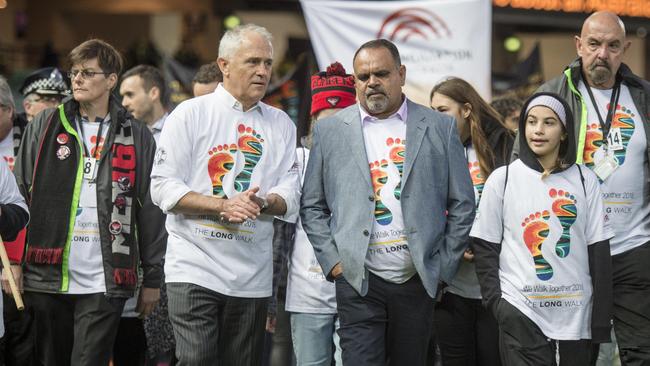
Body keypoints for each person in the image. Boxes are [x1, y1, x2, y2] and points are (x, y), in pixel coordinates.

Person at [300, 39, 475, 366]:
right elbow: (312, 206)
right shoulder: (331, 132)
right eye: (363, 77)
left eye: (381, 73)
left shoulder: (439, 127)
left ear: (402, 74)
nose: (372, 83)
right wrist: (335, 262)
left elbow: (463, 203)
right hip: (358, 281)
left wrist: (443, 268)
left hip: (417, 280)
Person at [150, 24, 300, 365]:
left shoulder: (281, 124)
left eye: (267, 63)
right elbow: (162, 186)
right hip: (194, 266)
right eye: (253, 62)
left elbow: (289, 193)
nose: (263, 71)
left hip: (252, 277)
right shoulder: (190, 114)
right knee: (197, 359)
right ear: (224, 65)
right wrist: (222, 205)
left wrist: (263, 202)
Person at [13, 38, 166, 366]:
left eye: (87, 73)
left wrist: (152, 278)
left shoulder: (136, 134)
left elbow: (149, 209)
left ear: (111, 80)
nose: (77, 79)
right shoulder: (45, 123)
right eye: (74, 72)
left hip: (106, 276)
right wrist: (13, 262)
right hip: (47, 273)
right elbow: (20, 194)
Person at [535, 11, 650, 364]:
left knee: (641, 351)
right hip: (576, 247)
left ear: (625, 49)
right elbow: (524, 168)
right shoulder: (552, 95)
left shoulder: (644, 97)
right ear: (579, 45)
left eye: (613, 46)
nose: (603, 54)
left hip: (635, 245)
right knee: (578, 351)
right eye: (595, 44)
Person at [472, 92, 613, 365]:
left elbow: (599, 252)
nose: (538, 130)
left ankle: (557, 230)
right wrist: (499, 305)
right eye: (531, 121)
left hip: (576, 315)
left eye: (549, 122)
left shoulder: (586, 180)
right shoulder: (503, 179)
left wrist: (600, 321)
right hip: (521, 310)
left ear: (564, 132)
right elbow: (485, 246)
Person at [429, 77, 514, 366]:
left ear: (466, 109)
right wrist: (454, 242)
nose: (435, 117)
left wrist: (483, 242)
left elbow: (517, 208)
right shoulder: (434, 150)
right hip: (451, 286)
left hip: (495, 284)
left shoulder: (505, 146)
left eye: (442, 110)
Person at [285, 61, 356, 366]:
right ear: (314, 120)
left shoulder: (367, 165)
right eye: (325, 121)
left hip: (355, 293)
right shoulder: (297, 160)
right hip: (307, 295)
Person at [120, 65, 169, 142]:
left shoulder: (179, 129)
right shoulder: (124, 137)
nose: (124, 103)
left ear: (154, 93)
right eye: (123, 97)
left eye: (130, 95)